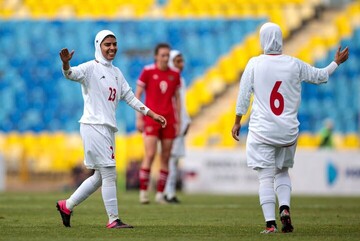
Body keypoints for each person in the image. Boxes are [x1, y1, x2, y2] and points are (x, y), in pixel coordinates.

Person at [231, 22, 349, 234]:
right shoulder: (294, 64)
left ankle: (270, 225)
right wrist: (335, 62)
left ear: (263, 39)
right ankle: (284, 208)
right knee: (283, 171)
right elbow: (321, 77)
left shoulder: (255, 64)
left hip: (263, 131)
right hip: (288, 132)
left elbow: (243, 96)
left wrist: (238, 120)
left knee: (266, 177)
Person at [56, 30, 167, 229]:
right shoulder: (90, 67)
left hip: (106, 129)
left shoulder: (116, 73)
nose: (112, 48)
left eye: (114, 44)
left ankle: (67, 205)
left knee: (100, 176)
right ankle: (113, 220)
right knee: (109, 174)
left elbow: (130, 97)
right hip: (94, 125)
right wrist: (66, 64)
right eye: (107, 44)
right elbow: (70, 74)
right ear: (98, 45)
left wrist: (152, 114)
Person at [136, 43, 181, 204]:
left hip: (169, 119)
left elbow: (177, 99)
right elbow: (138, 94)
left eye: (167, 55)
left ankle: (160, 194)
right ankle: (143, 192)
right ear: (156, 56)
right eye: (162, 55)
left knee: (166, 156)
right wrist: (139, 117)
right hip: (151, 118)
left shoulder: (174, 74)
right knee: (149, 154)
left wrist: (179, 120)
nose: (165, 58)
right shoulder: (148, 71)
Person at [164, 50, 191, 203]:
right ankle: (168, 193)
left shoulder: (179, 79)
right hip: (173, 123)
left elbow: (183, 105)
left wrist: (186, 120)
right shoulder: (170, 79)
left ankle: (169, 191)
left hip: (179, 123)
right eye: (177, 61)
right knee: (170, 159)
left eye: (181, 61)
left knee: (173, 160)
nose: (181, 64)